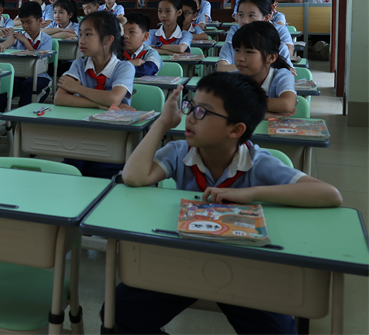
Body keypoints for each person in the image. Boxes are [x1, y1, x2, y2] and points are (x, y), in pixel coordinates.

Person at [115, 73, 341, 335]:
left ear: (236, 130)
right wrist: (163, 123)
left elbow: (329, 194)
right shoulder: (179, 152)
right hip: (185, 261)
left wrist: (253, 193)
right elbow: (134, 177)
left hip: (244, 268)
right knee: (119, 313)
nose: (190, 117)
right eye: (191, 107)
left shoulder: (258, 162)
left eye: (203, 112)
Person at [55, 11, 134, 177]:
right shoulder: (79, 64)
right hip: (81, 136)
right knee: (71, 174)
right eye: (80, 34)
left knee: (102, 177)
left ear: (108, 40)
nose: (81, 40)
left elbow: (113, 98)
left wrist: (77, 89)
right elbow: (59, 98)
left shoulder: (124, 68)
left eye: (88, 34)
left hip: (113, 141)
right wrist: (99, 104)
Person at [232, 22, 298, 118]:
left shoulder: (282, 76)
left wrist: (241, 104)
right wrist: (266, 114)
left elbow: (287, 104)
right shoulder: (233, 78)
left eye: (249, 52)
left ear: (271, 58)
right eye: (237, 50)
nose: (240, 58)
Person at [0, 2, 53, 106]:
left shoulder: (47, 39)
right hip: (19, 75)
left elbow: (38, 58)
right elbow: (6, 43)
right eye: (22, 22)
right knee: (7, 84)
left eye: (29, 22)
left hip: (39, 76)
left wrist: (25, 41)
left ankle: (23, 115)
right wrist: (1, 45)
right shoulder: (18, 36)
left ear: (40, 21)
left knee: (29, 87)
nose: (25, 26)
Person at [218, 0, 294, 71]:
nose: (245, 21)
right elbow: (221, 69)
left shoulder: (279, 47)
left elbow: (286, 73)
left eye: (251, 15)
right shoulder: (231, 45)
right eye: (241, 15)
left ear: (266, 18)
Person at [122, 13, 162, 77]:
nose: (125, 36)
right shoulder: (115, 51)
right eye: (122, 31)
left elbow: (147, 71)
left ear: (145, 36)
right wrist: (131, 63)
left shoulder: (151, 53)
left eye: (132, 32)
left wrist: (117, 67)